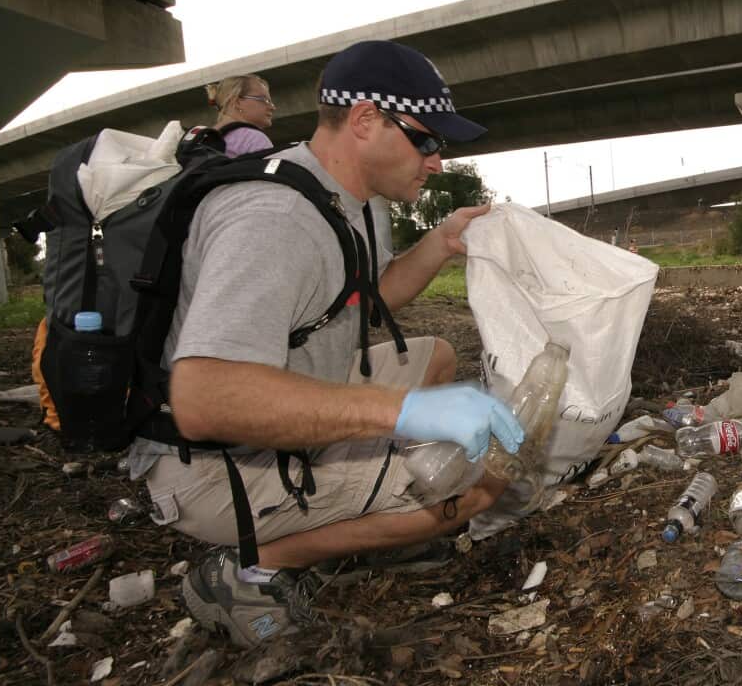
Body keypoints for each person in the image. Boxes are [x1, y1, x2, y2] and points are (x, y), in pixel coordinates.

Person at [129, 40, 525, 646]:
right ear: (365, 120)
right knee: (477, 486)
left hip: (300, 397)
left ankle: (374, 513)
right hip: (214, 465)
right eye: (426, 140)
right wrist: (404, 411)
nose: (438, 160)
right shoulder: (274, 217)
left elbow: (361, 301)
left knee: (439, 356)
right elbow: (204, 398)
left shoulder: (355, 199)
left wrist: (443, 242)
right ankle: (252, 564)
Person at [205, 74, 276, 157]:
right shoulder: (251, 139)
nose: (273, 107)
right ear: (237, 102)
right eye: (265, 100)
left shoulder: (202, 139)